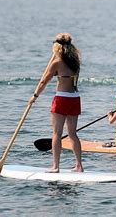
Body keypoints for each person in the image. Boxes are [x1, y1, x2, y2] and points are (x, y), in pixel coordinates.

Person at [29, 33, 83, 173]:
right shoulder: (75, 61)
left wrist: (35, 96)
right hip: (75, 97)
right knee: (72, 134)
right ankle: (79, 166)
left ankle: (56, 166)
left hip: (62, 98)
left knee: (56, 133)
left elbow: (43, 81)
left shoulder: (57, 62)